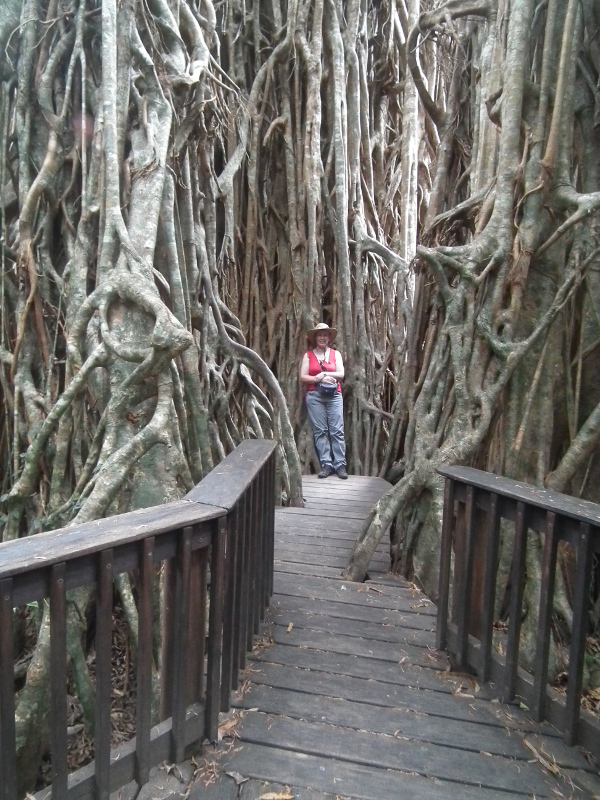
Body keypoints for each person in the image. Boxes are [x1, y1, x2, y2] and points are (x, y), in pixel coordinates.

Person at [300, 323, 348, 479]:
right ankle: (327, 464)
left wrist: (326, 374)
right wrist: (317, 377)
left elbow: (341, 374)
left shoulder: (336, 354)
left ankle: (340, 465)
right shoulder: (308, 355)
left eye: (325, 335)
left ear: (329, 338)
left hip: (334, 396)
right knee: (320, 431)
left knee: (337, 430)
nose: (322, 337)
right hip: (315, 396)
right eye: (319, 335)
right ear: (315, 338)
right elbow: (303, 377)